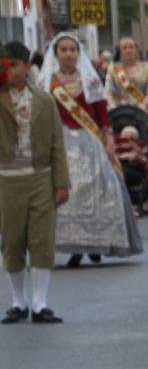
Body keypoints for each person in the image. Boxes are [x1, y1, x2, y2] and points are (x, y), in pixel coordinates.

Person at [40, 33, 142, 265]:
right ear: (56, 54)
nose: (68, 54)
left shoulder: (90, 79)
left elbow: (102, 113)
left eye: (72, 49)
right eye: (63, 50)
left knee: (99, 191)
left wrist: (108, 139)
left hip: (89, 140)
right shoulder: (48, 83)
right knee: (68, 193)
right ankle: (76, 246)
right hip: (60, 142)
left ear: (79, 53)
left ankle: (96, 243)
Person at [0, 41, 71, 324]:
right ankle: (19, 302)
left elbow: (57, 145)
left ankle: (40, 304)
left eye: (13, 65)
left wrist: (61, 182)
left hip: (41, 177)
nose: (8, 70)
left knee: (42, 240)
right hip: (7, 179)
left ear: (27, 67)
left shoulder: (44, 100)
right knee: (12, 241)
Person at [106, 36, 148, 214]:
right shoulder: (114, 69)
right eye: (124, 48)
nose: (128, 50)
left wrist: (140, 109)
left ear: (137, 49)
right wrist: (115, 110)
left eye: (131, 47)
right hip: (122, 117)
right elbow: (109, 93)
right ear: (119, 51)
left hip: (146, 114)